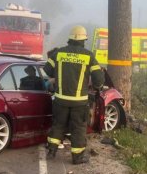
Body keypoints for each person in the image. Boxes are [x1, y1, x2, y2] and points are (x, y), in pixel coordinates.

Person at [43, 25, 104, 164]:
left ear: (70, 39)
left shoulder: (59, 53)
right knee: (78, 129)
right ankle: (77, 157)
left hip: (60, 100)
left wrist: (60, 74)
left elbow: (47, 71)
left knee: (58, 124)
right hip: (79, 102)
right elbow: (98, 80)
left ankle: (51, 151)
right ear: (84, 40)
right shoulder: (88, 56)